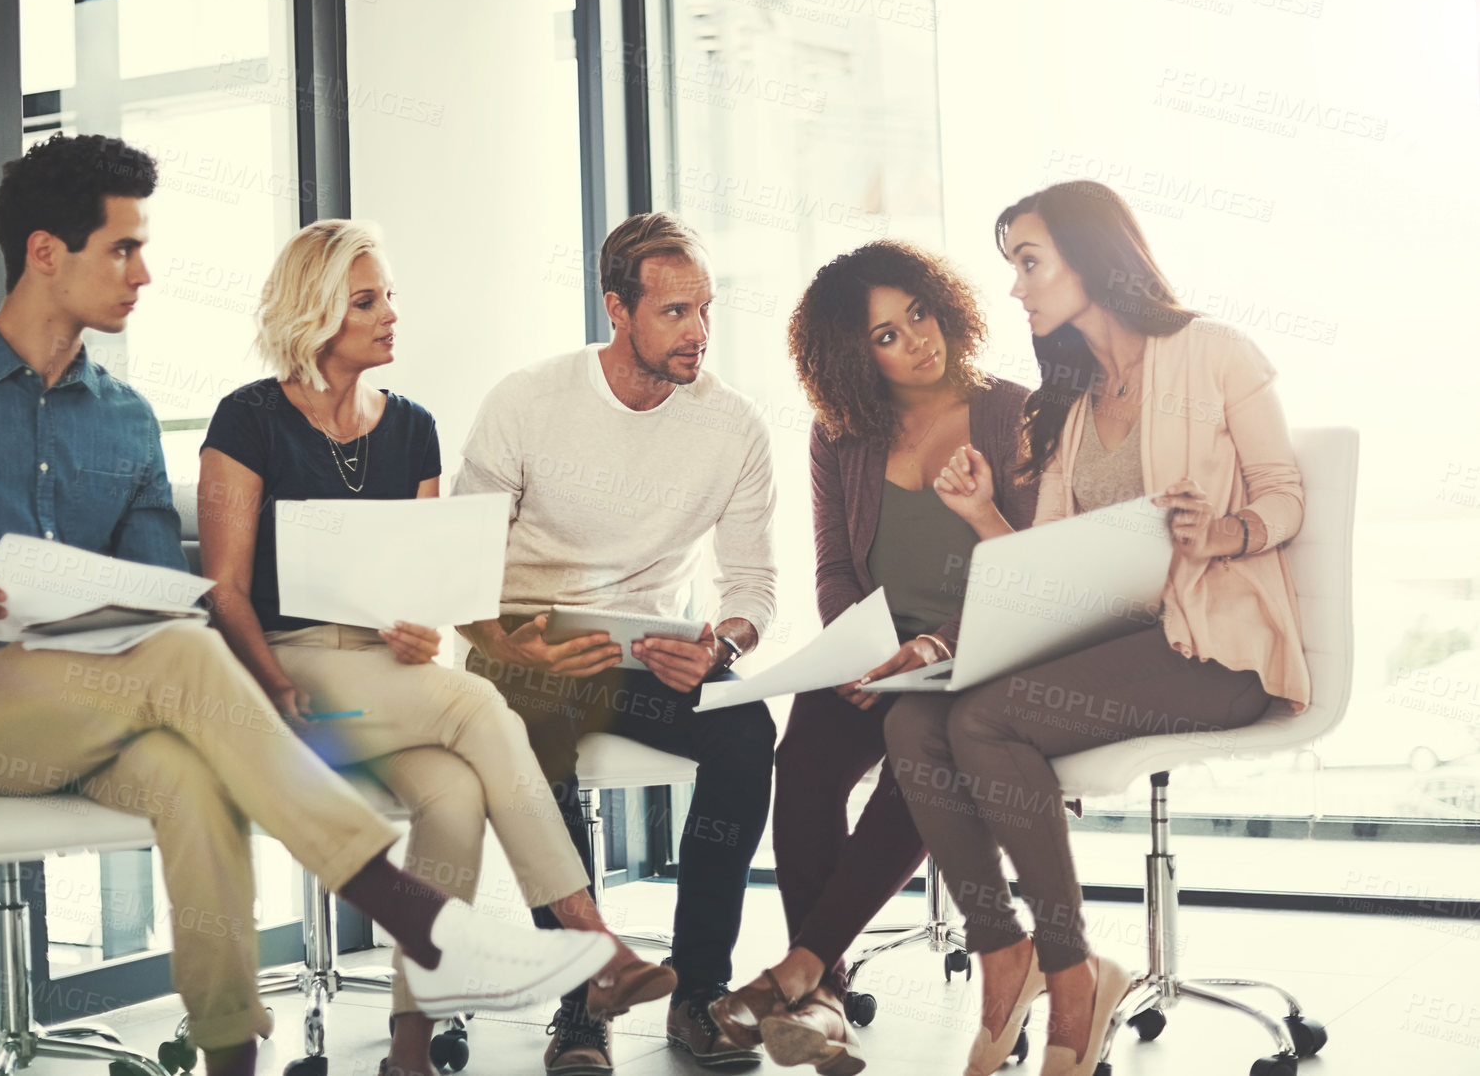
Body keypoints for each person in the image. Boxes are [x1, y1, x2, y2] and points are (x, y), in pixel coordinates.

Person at [0, 134, 616, 1076]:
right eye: (124, 249)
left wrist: (152, 612)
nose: (145, 273)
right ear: (46, 253)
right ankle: (421, 920)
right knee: (185, 667)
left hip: (113, 706)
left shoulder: (128, 419)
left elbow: (162, 603)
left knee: (192, 777)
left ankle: (230, 1059)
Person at [197, 219, 676, 1076]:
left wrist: (441, 627)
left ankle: (408, 1051)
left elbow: (428, 591)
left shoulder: (412, 426)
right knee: (481, 703)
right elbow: (225, 590)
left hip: (390, 670)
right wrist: (270, 682)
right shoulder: (249, 418)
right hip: (290, 661)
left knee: (454, 797)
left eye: (391, 297)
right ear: (314, 313)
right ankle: (595, 945)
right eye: (367, 300)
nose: (391, 315)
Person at [879, 180, 1307, 1076]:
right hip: (1114, 644)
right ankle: (1007, 957)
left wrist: (1230, 530)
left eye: (1029, 262)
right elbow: (1053, 568)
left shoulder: (1215, 353)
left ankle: (1072, 975)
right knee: (913, 720)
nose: (1017, 288)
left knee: (982, 719)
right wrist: (984, 515)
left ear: (1093, 256)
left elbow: (1285, 493)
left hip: (1214, 651)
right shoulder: (1071, 402)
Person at [453, 211, 780, 1075]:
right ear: (616, 308)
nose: (699, 333)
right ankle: (581, 1003)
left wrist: (721, 645)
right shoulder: (528, 400)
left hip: (646, 659)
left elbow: (754, 589)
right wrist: (515, 646)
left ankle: (699, 992)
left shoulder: (735, 425)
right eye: (675, 312)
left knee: (749, 730)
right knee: (532, 730)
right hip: (527, 658)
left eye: (706, 309)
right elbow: (456, 568)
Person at [709, 240, 1038, 1075]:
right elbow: (832, 566)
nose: (915, 339)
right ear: (854, 357)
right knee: (806, 758)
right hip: (881, 648)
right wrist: (864, 647)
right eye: (886, 334)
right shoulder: (842, 434)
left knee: (916, 757)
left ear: (944, 306)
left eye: (918, 313)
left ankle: (803, 975)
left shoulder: (1016, 414)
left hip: (987, 654)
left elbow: (1041, 570)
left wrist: (936, 646)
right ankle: (820, 1000)